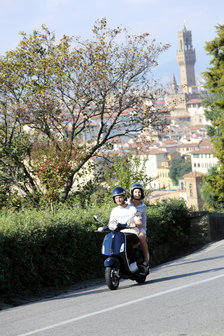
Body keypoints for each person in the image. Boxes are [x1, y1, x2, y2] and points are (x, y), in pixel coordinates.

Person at [98, 186, 143, 270]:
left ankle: (133, 262)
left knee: (126, 239)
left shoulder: (133, 208)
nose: (118, 200)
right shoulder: (114, 211)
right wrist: (103, 228)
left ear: (124, 197)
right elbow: (111, 223)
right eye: (116, 198)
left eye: (120, 197)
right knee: (110, 239)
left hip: (131, 232)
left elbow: (140, 222)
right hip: (118, 233)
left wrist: (136, 224)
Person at [128, 183, 149, 267]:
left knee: (141, 237)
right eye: (135, 192)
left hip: (139, 228)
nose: (137, 194)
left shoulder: (142, 206)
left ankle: (146, 261)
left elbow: (142, 221)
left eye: (139, 192)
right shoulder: (127, 204)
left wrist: (143, 231)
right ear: (132, 193)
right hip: (127, 228)